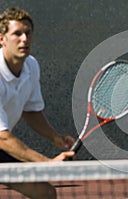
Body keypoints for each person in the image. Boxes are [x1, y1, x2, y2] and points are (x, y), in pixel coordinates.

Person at [0, 7, 75, 199]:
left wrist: (54, 137)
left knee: (45, 193)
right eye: (17, 33)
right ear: (2, 39)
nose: (24, 39)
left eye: (28, 33)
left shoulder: (31, 66)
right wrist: (46, 162)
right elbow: (3, 138)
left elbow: (31, 111)